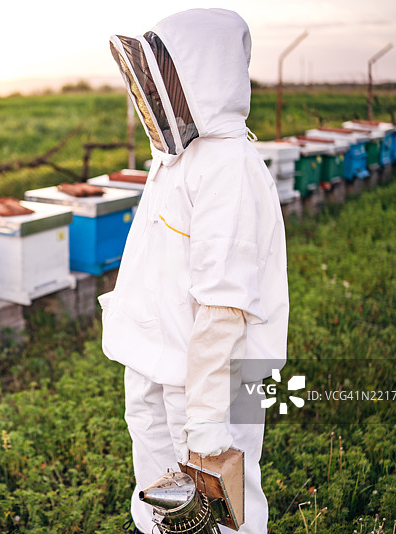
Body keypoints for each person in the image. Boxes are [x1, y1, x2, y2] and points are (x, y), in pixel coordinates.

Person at [99, 8, 289, 534]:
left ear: (203, 74)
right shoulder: (180, 157)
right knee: (161, 507)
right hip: (159, 364)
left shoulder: (229, 167)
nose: (157, 91)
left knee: (220, 517)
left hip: (206, 387)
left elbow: (224, 306)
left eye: (168, 74)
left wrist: (205, 423)